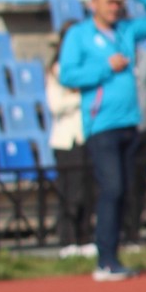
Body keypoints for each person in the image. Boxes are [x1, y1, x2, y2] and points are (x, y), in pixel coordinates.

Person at [59, 0, 146, 281]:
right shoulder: (79, 35)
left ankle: (113, 256)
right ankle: (104, 259)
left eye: (117, 2)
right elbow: (67, 74)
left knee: (125, 192)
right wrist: (106, 67)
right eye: (108, 1)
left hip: (130, 122)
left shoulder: (125, 31)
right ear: (93, 2)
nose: (114, 7)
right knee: (113, 188)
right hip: (101, 125)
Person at [46, 48, 92, 258]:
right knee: (69, 191)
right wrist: (80, 98)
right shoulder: (55, 72)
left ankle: (84, 237)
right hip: (65, 141)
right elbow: (56, 106)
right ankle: (68, 238)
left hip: (86, 137)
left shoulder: (86, 71)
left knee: (87, 190)